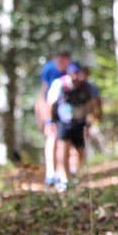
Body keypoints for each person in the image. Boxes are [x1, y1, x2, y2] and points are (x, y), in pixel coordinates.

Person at [44, 63, 94, 190]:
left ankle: (74, 174)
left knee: (80, 150)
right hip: (63, 122)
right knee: (63, 148)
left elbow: (89, 105)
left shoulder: (85, 86)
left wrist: (88, 124)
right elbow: (51, 103)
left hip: (79, 122)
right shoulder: (60, 84)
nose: (76, 76)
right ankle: (63, 178)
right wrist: (50, 122)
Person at [35, 50, 72, 186]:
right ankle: (50, 173)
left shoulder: (70, 70)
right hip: (50, 108)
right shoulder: (50, 69)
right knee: (52, 138)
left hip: (65, 110)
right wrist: (45, 117)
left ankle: (63, 172)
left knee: (65, 141)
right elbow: (43, 92)